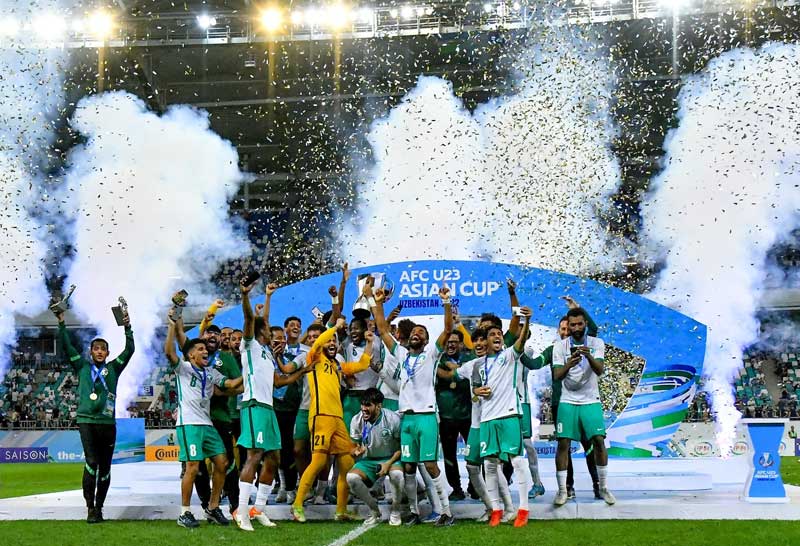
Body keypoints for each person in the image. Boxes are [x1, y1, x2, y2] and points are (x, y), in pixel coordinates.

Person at [368, 282, 455, 527]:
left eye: (421, 332)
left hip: (426, 417)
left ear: (426, 341)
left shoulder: (431, 355)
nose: (417, 333)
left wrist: (446, 302)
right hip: (406, 418)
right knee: (408, 466)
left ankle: (446, 512)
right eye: (414, 331)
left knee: (430, 465)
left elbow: (448, 329)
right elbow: (383, 330)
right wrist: (378, 303)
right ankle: (415, 512)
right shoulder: (402, 354)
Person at [234, 280, 307, 531]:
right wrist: (246, 295)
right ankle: (242, 512)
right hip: (254, 405)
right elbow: (250, 319)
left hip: (268, 408)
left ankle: (258, 509)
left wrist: (303, 371)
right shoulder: (250, 345)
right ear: (260, 332)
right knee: (254, 456)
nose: (271, 332)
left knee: (274, 458)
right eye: (267, 329)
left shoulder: (266, 353)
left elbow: (278, 381)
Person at [54, 304, 134, 524]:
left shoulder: (114, 368)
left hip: (107, 423)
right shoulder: (82, 367)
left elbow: (130, 350)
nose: (99, 351)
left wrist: (127, 327)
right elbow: (66, 346)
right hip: (86, 421)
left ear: (107, 353)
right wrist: (61, 322)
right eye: (96, 348)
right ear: (90, 352)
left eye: (103, 349)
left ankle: (99, 507)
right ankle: (90, 507)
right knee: (91, 462)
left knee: (105, 467)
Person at [291, 318, 374, 522]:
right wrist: (335, 327)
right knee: (319, 461)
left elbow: (363, 364)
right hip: (321, 417)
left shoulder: (337, 365)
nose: (331, 343)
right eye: (329, 340)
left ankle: (341, 511)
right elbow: (319, 342)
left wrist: (370, 342)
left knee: (347, 464)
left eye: (334, 341)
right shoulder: (314, 357)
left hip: (337, 419)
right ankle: (297, 505)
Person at [164, 316, 243, 529]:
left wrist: (251, 372)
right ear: (191, 355)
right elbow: (169, 352)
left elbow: (230, 383)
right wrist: (172, 325)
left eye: (205, 349)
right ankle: (184, 512)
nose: (205, 351)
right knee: (192, 467)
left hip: (207, 424)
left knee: (222, 463)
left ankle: (213, 507)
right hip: (189, 424)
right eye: (200, 349)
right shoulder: (183, 368)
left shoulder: (211, 372)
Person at [522, 296, 600, 499]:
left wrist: (578, 308)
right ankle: (568, 487)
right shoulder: (554, 350)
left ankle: (598, 484)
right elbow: (534, 364)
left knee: (590, 444)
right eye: (563, 329)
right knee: (564, 446)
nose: (566, 332)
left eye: (569, 328)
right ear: (558, 331)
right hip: (560, 404)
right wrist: (517, 350)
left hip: (584, 402)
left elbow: (593, 329)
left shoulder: (586, 343)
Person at [472, 308, 533, 528]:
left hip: (509, 414)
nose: (497, 336)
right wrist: (476, 391)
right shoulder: (479, 364)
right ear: (485, 341)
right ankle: (496, 510)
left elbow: (521, 339)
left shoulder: (509, 356)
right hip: (487, 418)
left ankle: (523, 510)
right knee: (489, 464)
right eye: (492, 334)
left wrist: (527, 320)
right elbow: (474, 389)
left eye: (499, 334)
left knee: (516, 460)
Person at [552, 307, 615, 506]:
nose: (577, 328)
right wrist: (569, 363)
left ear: (585, 324)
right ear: (568, 326)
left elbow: (600, 370)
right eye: (573, 325)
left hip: (590, 400)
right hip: (568, 400)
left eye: (580, 324)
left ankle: (603, 487)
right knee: (563, 444)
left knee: (598, 441)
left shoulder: (596, 343)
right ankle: (563, 490)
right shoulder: (560, 347)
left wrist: (589, 356)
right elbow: (557, 375)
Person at [347, 388, 404, 525]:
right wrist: (355, 451)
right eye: (362, 405)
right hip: (369, 460)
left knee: (397, 475)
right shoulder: (356, 420)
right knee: (351, 478)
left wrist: (388, 464)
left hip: (391, 458)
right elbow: (352, 447)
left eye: (368, 405)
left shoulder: (392, 419)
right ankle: (374, 510)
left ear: (379, 406)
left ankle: (395, 511)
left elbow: (401, 448)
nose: (364, 409)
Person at [435, 330, 472, 501]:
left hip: (467, 415)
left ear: (462, 345)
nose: (450, 344)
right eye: (448, 342)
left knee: (473, 454)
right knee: (449, 456)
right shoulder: (437, 360)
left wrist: (456, 368)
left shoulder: (470, 360)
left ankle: (475, 486)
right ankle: (456, 488)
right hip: (446, 417)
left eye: (455, 341)